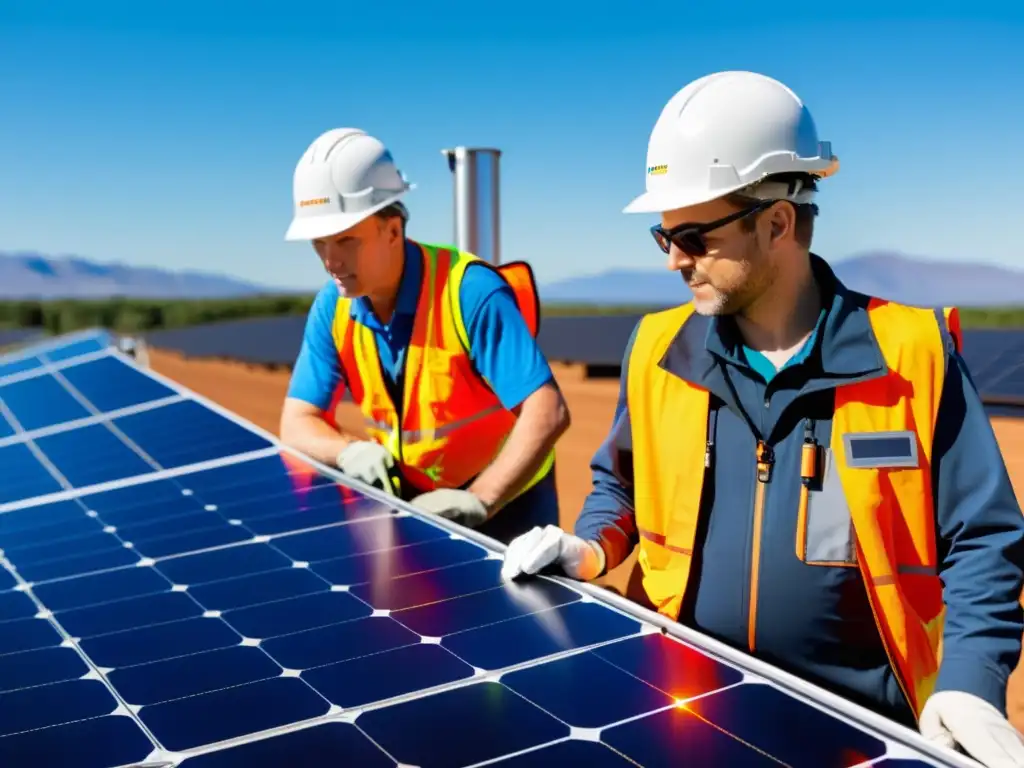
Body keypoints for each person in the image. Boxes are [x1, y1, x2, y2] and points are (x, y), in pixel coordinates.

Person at [500, 71, 1024, 766]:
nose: (675, 260)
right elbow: (619, 486)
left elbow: (983, 540)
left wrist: (970, 683)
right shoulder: (657, 350)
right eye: (664, 236)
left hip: (865, 728)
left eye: (692, 234)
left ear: (777, 222)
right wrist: (589, 548)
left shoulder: (913, 356)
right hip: (680, 706)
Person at [280, 127, 570, 543]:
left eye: (346, 240)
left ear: (393, 230)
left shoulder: (469, 291)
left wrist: (481, 498)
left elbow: (548, 411)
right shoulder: (333, 307)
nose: (330, 260)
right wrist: (348, 450)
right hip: (414, 499)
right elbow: (296, 421)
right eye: (319, 243)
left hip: (508, 496)